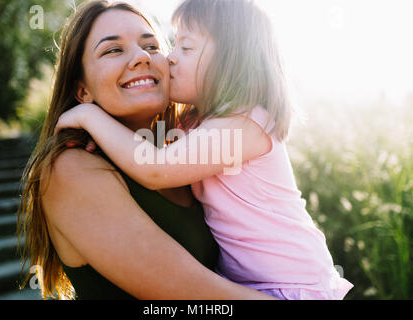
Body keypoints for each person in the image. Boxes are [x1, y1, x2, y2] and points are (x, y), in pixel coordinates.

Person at [55, 0, 353, 300]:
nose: (167, 59)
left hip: (291, 287)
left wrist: (89, 118)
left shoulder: (244, 122)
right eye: (113, 50)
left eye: (184, 48)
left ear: (230, 62)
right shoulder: (192, 128)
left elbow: (156, 167)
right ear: (82, 90)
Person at [17, 0, 276, 300]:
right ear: (82, 90)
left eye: (152, 47)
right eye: (113, 50)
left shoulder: (182, 153)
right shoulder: (70, 169)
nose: (141, 57)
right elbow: (198, 295)